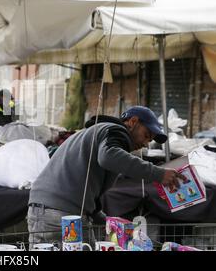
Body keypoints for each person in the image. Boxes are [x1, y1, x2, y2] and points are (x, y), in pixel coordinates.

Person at [27, 106, 186, 248]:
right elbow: (108, 157)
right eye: (146, 135)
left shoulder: (101, 133)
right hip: (58, 212)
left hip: (54, 210)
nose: (145, 144)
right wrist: (158, 174)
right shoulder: (116, 131)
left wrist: (107, 221)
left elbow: (89, 191)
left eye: (149, 141)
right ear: (132, 121)